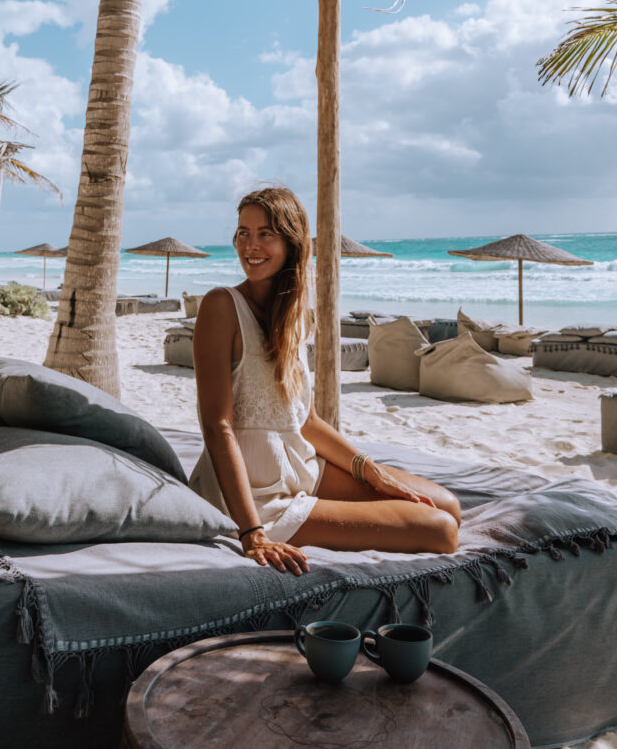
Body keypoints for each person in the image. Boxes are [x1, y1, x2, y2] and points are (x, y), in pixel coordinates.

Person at [190, 186, 460, 576]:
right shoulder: (221, 307)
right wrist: (253, 533)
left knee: (447, 504)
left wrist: (369, 469)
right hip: (256, 495)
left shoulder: (298, 315)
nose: (251, 245)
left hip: (303, 468)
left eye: (265, 233)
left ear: (292, 242)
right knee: (441, 530)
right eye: (243, 233)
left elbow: (305, 420)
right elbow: (217, 426)